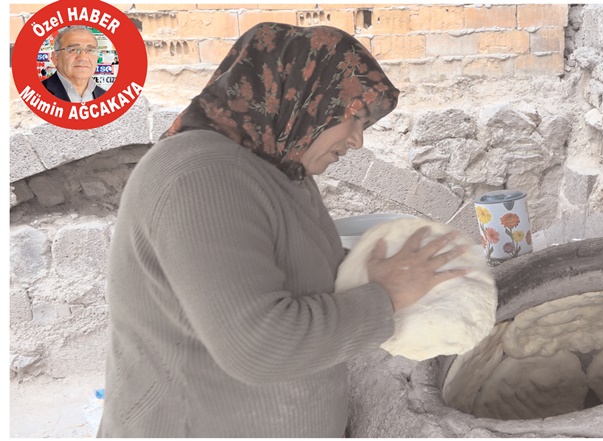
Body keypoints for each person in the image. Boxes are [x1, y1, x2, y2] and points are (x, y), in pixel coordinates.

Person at [97, 23, 469, 437]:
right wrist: (387, 295)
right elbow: (257, 348)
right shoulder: (201, 176)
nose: (358, 141)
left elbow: (302, 272)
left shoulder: (280, 170)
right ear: (307, 96)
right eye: (352, 117)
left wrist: (402, 274)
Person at [42, 26, 106, 102]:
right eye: (73, 50)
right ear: (56, 58)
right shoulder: (36, 94)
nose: (83, 57)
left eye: (90, 50)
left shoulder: (106, 97)